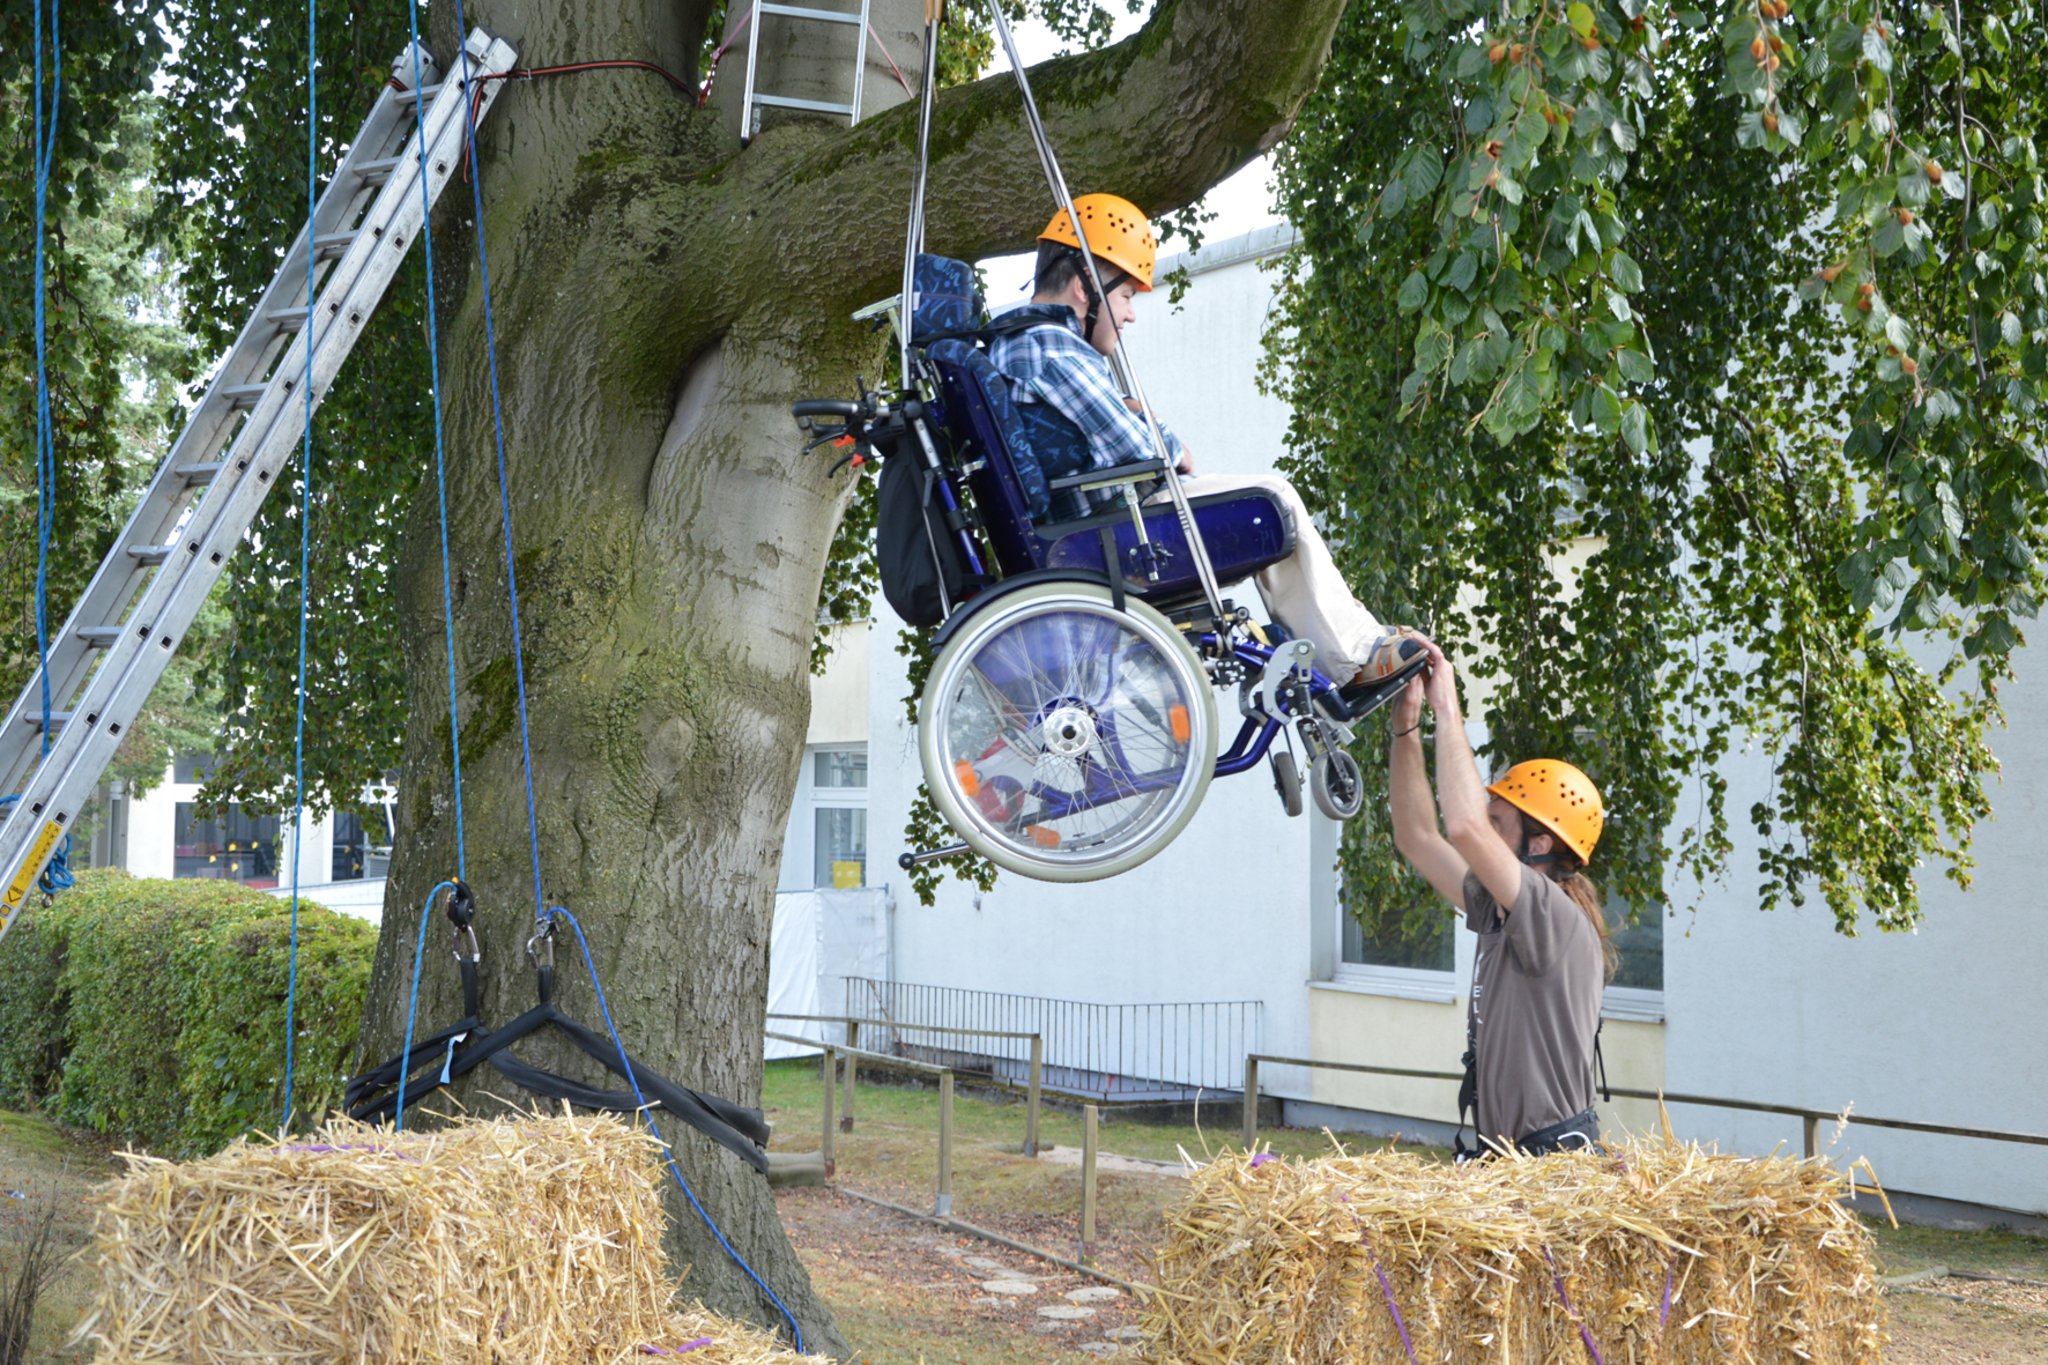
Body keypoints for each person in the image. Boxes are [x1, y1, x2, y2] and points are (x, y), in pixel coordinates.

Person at [987, 193, 1424, 710]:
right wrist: (1167, 438)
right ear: (1085, 287)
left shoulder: (1020, 343)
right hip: (1109, 533)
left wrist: (1131, 411)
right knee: (1270, 501)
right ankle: (1351, 659)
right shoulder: (1049, 345)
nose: (1129, 316)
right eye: (1125, 296)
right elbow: (1141, 447)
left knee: (1259, 506)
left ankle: (1343, 649)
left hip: (1089, 529)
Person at [1386, 640, 1616, 1156]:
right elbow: (1417, 836)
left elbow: (1463, 827)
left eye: (1499, 824)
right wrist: (1407, 726)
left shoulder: (1552, 915)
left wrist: (1448, 708)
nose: (1484, 834)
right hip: (1515, 1163)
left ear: (1541, 844)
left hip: (1552, 1167)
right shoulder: (1502, 908)